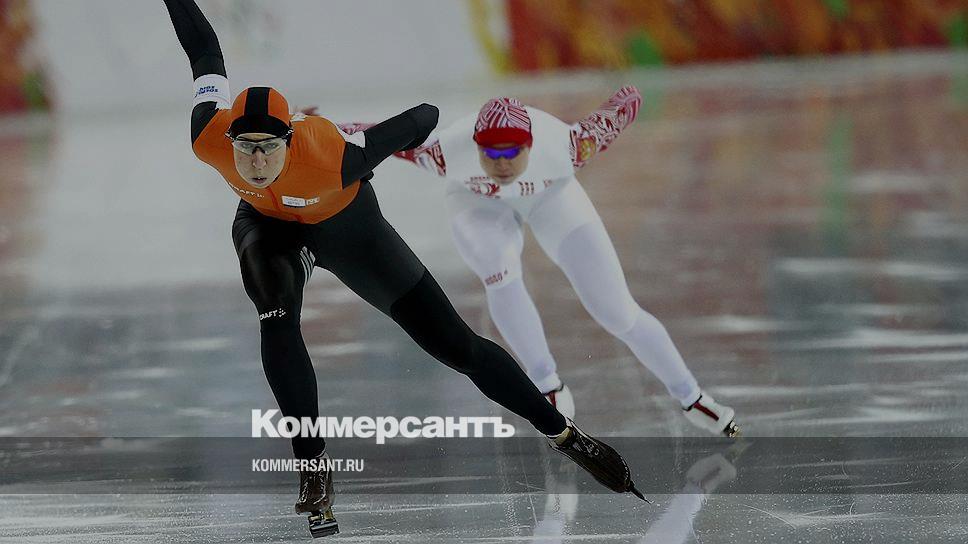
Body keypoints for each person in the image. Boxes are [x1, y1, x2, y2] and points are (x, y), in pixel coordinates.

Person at [162, 0, 646, 536]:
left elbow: (424, 116)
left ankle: (563, 434)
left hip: (350, 229)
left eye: (268, 148)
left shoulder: (335, 155)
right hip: (268, 227)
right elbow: (203, 51)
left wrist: (387, 140)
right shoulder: (207, 134)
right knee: (275, 315)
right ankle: (313, 468)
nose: (255, 162)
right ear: (228, 139)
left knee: (457, 347)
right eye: (246, 148)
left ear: (290, 139)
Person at [340, 89, 739, 437]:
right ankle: (547, 384)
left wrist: (632, 95)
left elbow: (624, 105)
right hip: (477, 204)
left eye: (512, 152)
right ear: (475, 146)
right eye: (490, 153)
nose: (501, 163)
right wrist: (324, 127)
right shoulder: (444, 153)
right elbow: (372, 137)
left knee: (617, 312)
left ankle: (692, 398)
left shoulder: (570, 145)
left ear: (530, 146)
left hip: (552, 197)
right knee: (498, 267)